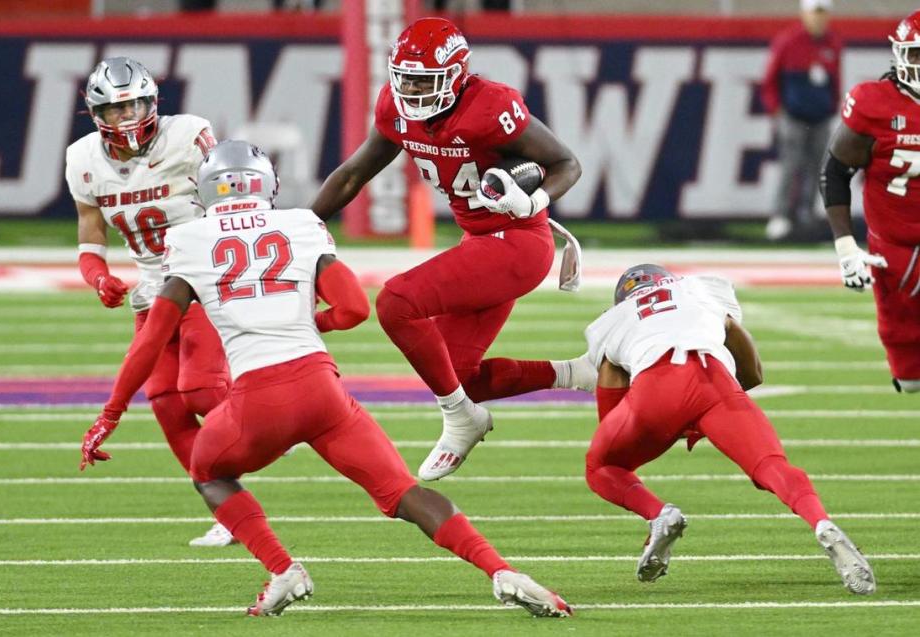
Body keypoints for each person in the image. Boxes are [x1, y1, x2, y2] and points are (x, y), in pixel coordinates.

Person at [77, 140, 572, 618]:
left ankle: (282, 568)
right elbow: (355, 308)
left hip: (258, 399)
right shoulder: (300, 224)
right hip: (323, 391)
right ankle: (502, 571)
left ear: (205, 190)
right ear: (267, 184)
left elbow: (150, 341)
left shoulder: (188, 240)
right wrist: (315, 322)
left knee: (209, 472)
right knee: (402, 492)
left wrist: (110, 414)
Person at [310, 17, 593, 481]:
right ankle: (576, 373)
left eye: (426, 80)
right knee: (457, 374)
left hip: (517, 241)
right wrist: (303, 223)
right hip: (481, 243)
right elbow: (351, 175)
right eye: (407, 79)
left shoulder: (491, 106)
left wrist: (535, 198)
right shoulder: (396, 111)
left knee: (397, 301)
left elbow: (567, 163)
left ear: (457, 74)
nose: (414, 90)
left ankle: (460, 418)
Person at [581, 264, 875, 595]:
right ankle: (821, 522)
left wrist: (673, 423)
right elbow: (753, 373)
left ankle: (659, 515)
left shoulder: (614, 319)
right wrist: (706, 417)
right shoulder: (699, 291)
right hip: (716, 381)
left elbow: (612, 425)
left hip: (657, 385)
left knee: (602, 466)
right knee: (772, 466)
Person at [64, 57, 235, 548]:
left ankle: (269, 419)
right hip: (152, 289)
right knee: (165, 404)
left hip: (205, 275)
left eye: (136, 104)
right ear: (97, 113)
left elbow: (236, 196)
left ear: (153, 102)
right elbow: (90, 230)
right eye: (116, 109)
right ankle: (229, 512)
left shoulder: (189, 136)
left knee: (201, 389)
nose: (128, 117)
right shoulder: (83, 159)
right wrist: (97, 277)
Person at [820, 11, 920, 394]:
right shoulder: (875, 103)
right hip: (893, 247)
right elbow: (834, 172)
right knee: (910, 381)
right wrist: (846, 247)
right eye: (917, 55)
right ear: (900, 56)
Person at [761, 0, 842, 241]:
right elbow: (770, 79)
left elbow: (834, 79)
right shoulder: (788, 40)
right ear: (805, 14)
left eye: (823, 13)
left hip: (820, 117)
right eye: (815, 13)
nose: (819, 19)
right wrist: (776, 110)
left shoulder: (832, 42)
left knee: (817, 168)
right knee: (790, 165)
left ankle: (806, 214)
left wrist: (833, 106)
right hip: (793, 116)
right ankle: (780, 215)